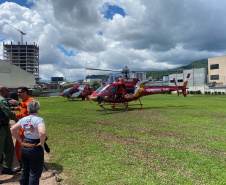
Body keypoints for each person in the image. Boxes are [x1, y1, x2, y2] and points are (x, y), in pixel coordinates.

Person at [11, 100, 46, 185]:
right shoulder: (39, 120)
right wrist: (42, 143)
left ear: (28, 108)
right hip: (35, 147)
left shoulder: (24, 119)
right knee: (34, 172)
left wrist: (19, 140)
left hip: (24, 146)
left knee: (25, 170)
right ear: (38, 108)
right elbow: (42, 132)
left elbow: (12, 129)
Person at [9, 87, 35, 172]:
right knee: (19, 145)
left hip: (29, 127)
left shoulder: (31, 100)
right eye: (17, 92)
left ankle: (28, 164)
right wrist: (14, 113)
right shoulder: (23, 102)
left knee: (27, 145)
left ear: (25, 92)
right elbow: (23, 113)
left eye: (19, 92)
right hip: (23, 126)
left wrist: (18, 103)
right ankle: (22, 164)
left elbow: (31, 107)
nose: (18, 94)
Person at [0, 86, 18, 184]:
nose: (9, 93)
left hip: (4, 127)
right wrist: (16, 119)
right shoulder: (2, 100)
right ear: (3, 91)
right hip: (0, 128)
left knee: (9, 148)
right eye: (8, 91)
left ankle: (6, 168)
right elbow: (8, 113)